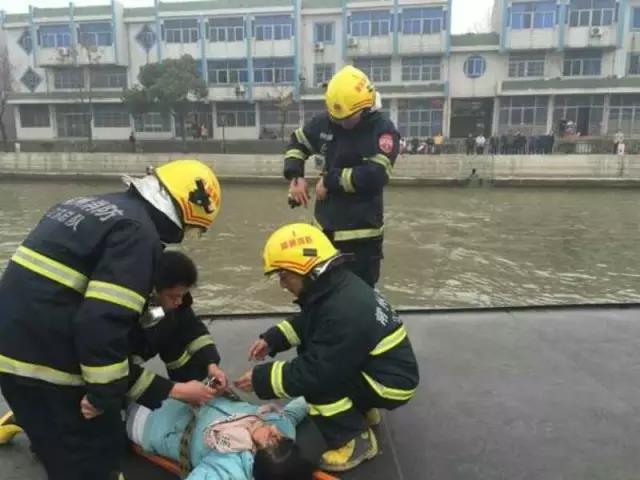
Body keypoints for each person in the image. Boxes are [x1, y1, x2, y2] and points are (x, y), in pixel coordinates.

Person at [0, 159, 222, 480]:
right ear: (184, 216)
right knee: (96, 458)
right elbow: (102, 325)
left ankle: (33, 423)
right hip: (48, 367)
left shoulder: (92, 206)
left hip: (16, 352)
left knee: (58, 434)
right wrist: (103, 397)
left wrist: (209, 362)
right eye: (190, 230)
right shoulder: (138, 235)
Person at [235, 223, 419, 473]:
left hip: (390, 384)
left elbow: (316, 372)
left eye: (284, 276)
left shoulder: (344, 310)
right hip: (383, 371)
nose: (282, 284)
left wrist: (261, 379)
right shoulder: (337, 288)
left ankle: (356, 441)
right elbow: (312, 321)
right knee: (322, 365)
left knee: (317, 385)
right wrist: (273, 339)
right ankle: (363, 409)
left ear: (307, 270)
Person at [284, 65, 400, 287]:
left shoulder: (382, 131)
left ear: (365, 108)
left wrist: (330, 181)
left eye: (346, 119)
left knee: (358, 296)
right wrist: (296, 176)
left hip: (361, 241)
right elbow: (298, 142)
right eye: (334, 118)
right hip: (324, 233)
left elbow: (376, 175)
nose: (339, 123)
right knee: (319, 291)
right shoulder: (327, 121)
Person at [125, 250, 228, 412]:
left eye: (182, 295)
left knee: (178, 333)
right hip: (107, 371)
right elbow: (111, 367)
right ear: (153, 290)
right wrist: (176, 390)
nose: (178, 302)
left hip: (136, 354)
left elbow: (194, 330)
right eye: (173, 297)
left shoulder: (171, 304)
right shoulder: (122, 313)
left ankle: (197, 388)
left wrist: (212, 364)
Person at [127, 395, 314, 480]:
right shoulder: (282, 429)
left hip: (145, 422)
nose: (272, 427)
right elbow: (291, 414)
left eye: (271, 436)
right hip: (168, 395)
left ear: (256, 453)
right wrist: (314, 393)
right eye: (278, 434)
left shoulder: (228, 465)